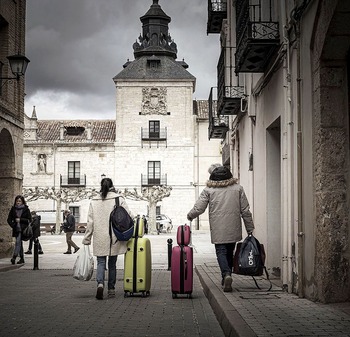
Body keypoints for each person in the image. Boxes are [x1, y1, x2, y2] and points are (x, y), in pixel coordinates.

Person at [187, 164, 254, 293]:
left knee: (221, 252)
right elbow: (245, 210)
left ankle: (226, 274)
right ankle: (226, 276)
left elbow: (199, 208)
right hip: (233, 227)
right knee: (230, 252)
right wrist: (249, 228)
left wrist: (190, 215)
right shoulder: (238, 189)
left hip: (218, 228)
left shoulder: (208, 190)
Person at [82, 177, 134, 300]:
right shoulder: (118, 198)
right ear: (112, 186)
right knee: (112, 264)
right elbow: (129, 215)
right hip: (114, 237)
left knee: (100, 263)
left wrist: (87, 238)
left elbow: (90, 222)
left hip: (99, 237)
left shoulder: (94, 201)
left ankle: (100, 284)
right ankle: (111, 289)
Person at [7, 195, 32, 265]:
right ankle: (22, 258)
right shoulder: (13, 209)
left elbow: (30, 220)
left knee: (18, 242)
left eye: (20, 201)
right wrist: (13, 225)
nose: (18, 202)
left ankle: (14, 257)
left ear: (22, 202)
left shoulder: (26, 209)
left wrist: (20, 220)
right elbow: (9, 219)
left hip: (23, 229)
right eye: (17, 201)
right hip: (16, 229)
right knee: (19, 243)